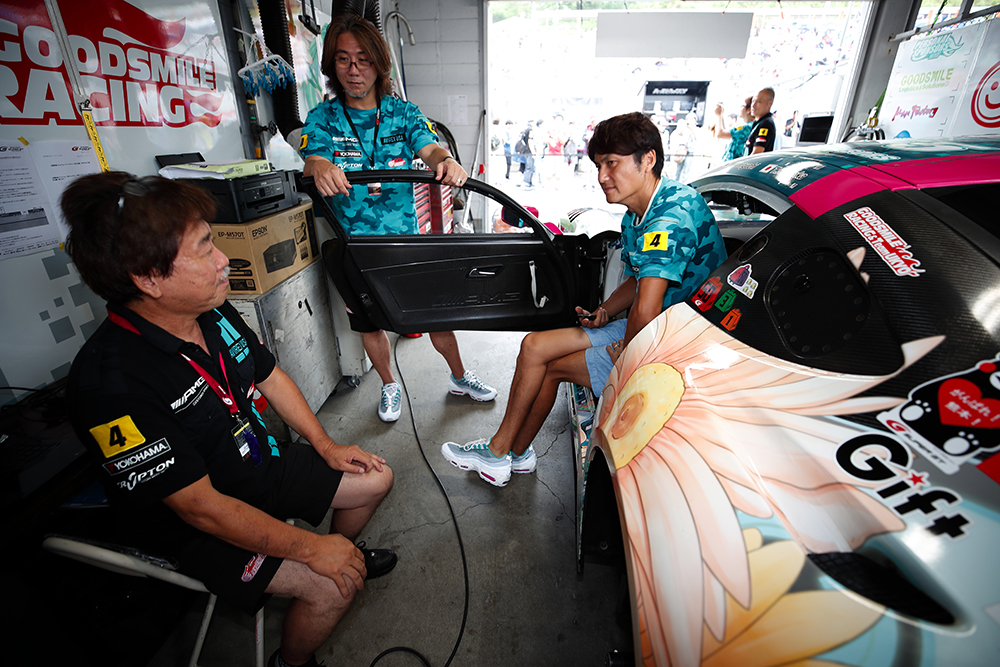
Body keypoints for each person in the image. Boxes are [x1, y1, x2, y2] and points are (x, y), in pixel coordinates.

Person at [63, 172, 395, 667]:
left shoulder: (212, 311)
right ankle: (292, 658)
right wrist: (309, 550)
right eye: (205, 250)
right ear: (148, 278)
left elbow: (271, 377)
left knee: (376, 479)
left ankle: (340, 554)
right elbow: (201, 509)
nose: (224, 261)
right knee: (331, 589)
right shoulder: (110, 386)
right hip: (200, 527)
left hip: (257, 468)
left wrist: (325, 446)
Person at [440, 112, 726, 487]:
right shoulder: (636, 215)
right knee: (534, 346)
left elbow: (646, 308)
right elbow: (638, 281)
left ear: (648, 159)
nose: (602, 176)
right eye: (598, 165)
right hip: (652, 327)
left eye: (612, 163)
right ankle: (512, 454)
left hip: (674, 344)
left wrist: (627, 355)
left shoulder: (671, 215)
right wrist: (604, 311)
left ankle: (502, 452)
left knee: (553, 367)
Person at [300, 14, 496, 423]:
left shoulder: (403, 114)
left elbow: (431, 148)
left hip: (406, 244)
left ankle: (459, 376)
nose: (354, 70)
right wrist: (319, 166)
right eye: (343, 60)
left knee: (436, 316)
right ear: (332, 66)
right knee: (368, 323)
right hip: (354, 247)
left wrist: (447, 161)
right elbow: (314, 158)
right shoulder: (322, 119)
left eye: (363, 60)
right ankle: (389, 383)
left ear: (379, 64)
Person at [713, 96, 755, 162]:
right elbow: (727, 133)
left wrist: (719, 114)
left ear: (749, 110)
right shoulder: (746, 125)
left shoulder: (746, 127)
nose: (740, 109)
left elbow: (720, 134)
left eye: (742, 106)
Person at [745, 87, 777, 156]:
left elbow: (756, 153)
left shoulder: (766, 124)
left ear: (770, 103)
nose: (753, 105)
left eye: (758, 101)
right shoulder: (758, 122)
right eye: (753, 101)